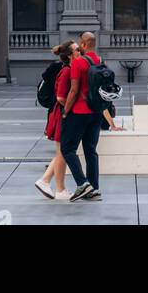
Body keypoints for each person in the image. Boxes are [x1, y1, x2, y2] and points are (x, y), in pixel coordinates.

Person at [60, 30, 103, 202]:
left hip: (79, 112)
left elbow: (73, 90)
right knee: (90, 150)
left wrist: (65, 112)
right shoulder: (100, 61)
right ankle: (94, 189)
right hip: (96, 112)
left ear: (84, 44)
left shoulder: (78, 63)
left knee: (67, 148)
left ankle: (83, 183)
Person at [36, 40, 76, 200]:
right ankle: (48, 182)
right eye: (76, 49)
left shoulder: (64, 69)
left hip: (59, 112)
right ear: (70, 55)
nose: (80, 51)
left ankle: (58, 188)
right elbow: (60, 96)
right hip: (61, 113)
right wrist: (69, 110)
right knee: (63, 151)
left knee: (63, 152)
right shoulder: (66, 71)